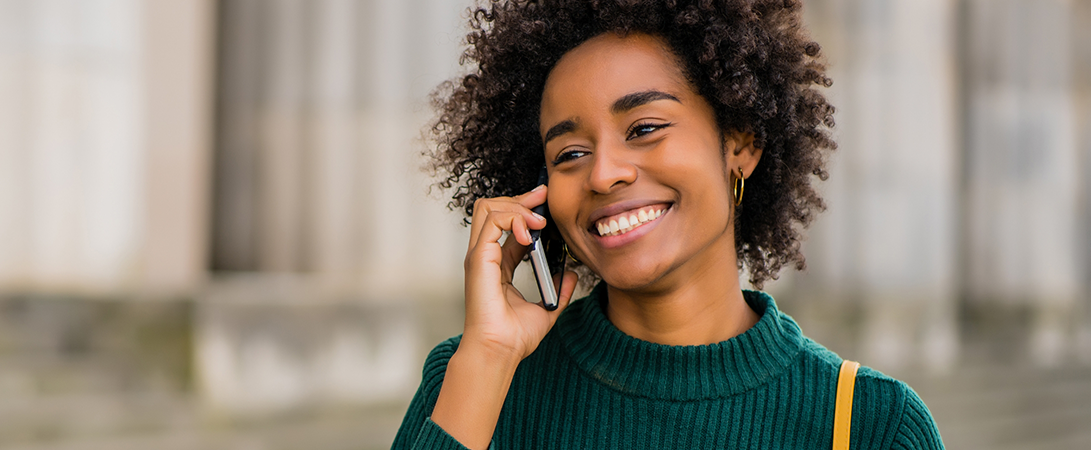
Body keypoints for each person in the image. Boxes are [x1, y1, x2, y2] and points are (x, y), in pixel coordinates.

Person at [392, 1, 944, 449]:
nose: (604, 174)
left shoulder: (874, 426)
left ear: (740, 142)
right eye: (569, 153)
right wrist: (486, 359)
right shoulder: (473, 380)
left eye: (645, 127)